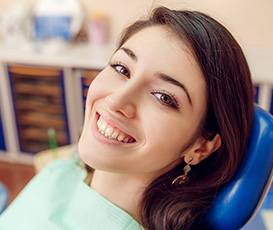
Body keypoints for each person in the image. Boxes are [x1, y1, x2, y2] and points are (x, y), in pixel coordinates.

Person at [0, 6, 254, 230]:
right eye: (122, 69)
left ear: (201, 146)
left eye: (164, 97)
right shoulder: (66, 169)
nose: (116, 100)